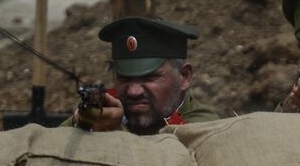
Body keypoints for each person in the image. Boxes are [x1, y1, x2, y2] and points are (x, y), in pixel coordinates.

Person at [70, 17, 218, 134]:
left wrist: (113, 132)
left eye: (149, 78)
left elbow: (169, 161)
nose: (134, 92)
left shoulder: (203, 126)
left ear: (184, 77)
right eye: (124, 78)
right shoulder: (109, 105)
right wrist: (83, 124)